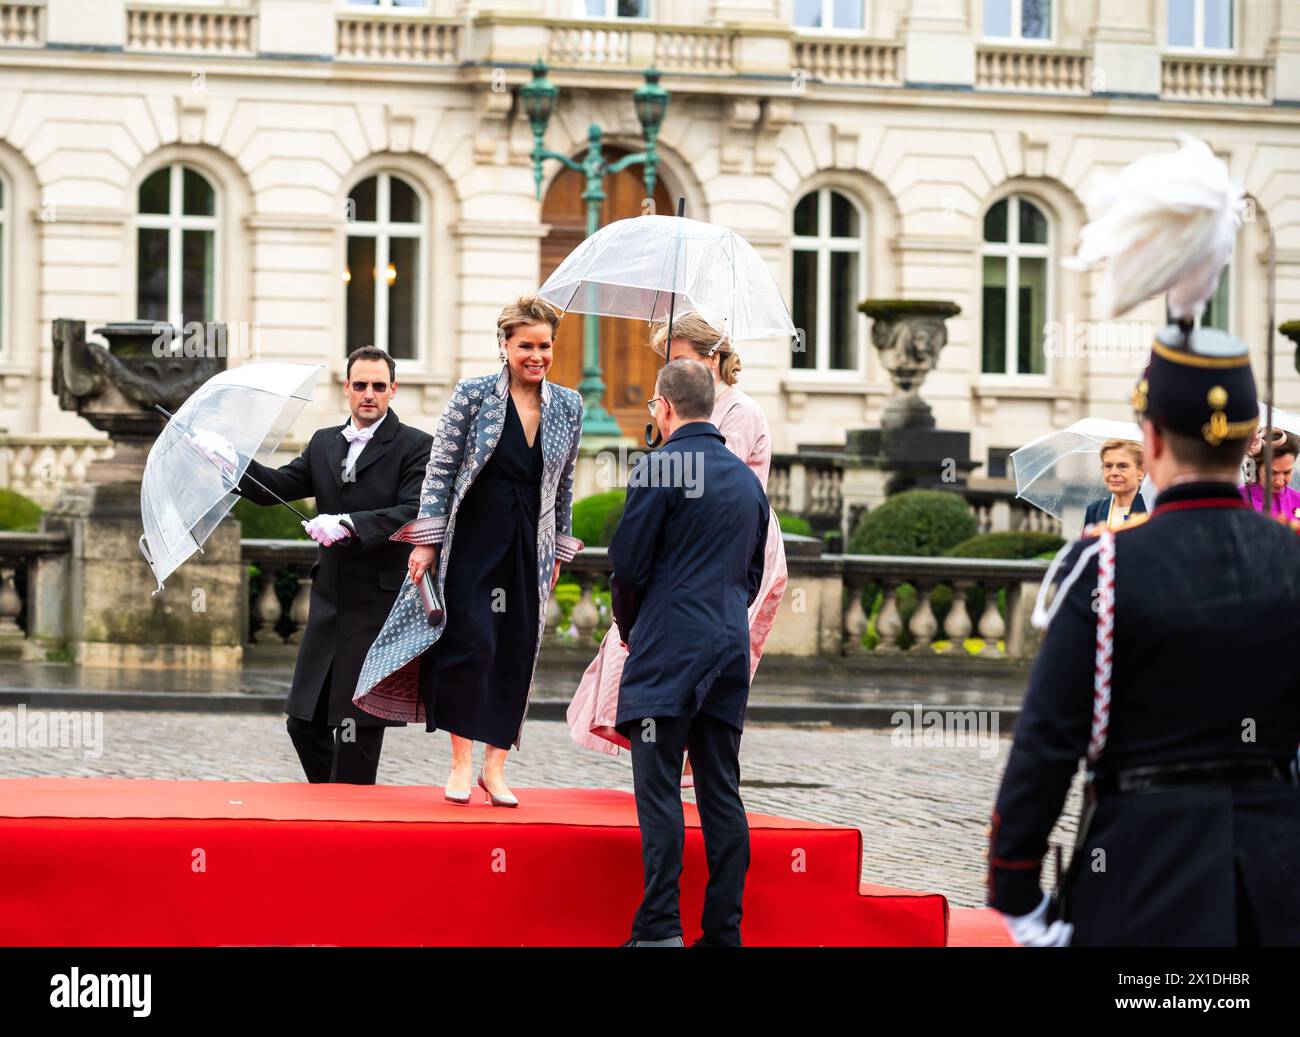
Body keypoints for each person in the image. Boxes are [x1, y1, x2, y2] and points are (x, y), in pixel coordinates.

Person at [987, 323, 1300, 946]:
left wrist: (1016, 887)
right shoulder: (1291, 556)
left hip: (1141, 873)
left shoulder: (1102, 564)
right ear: (1248, 443)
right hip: (1280, 881)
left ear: (1151, 439)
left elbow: (1048, 742)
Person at [353, 295, 584, 807]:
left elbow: (564, 482)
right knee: (470, 644)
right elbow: (440, 470)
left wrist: (559, 550)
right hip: (473, 539)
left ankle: (494, 768)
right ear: (504, 345)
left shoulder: (569, 405)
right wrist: (427, 543)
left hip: (530, 543)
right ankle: (460, 762)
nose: (537, 356)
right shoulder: (474, 394)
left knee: (515, 650)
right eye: (526, 346)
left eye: (545, 346)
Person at [193, 346, 433, 784]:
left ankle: (350, 814)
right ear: (347, 389)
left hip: (377, 608)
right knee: (303, 724)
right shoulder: (325, 442)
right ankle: (332, 802)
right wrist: (231, 461)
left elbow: (413, 511)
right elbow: (277, 486)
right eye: (360, 385)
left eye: (379, 386)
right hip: (328, 604)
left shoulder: (416, 445)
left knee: (356, 730)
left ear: (393, 389)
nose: (369, 394)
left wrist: (349, 523)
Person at [567, 314, 789, 788]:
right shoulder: (679, 410)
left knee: (708, 657)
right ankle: (663, 756)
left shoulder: (741, 411)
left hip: (730, 547)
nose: (671, 367)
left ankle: (690, 766)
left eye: (681, 357)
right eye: (666, 359)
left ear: (714, 356)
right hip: (688, 546)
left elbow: (716, 486)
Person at [611, 359, 770, 947]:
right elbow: (752, 574)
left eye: (654, 405)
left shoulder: (660, 467)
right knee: (721, 791)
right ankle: (724, 931)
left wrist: (633, 626)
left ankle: (659, 927)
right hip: (728, 648)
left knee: (659, 793)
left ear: (665, 406)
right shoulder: (746, 480)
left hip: (668, 649)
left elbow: (628, 566)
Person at [1081, 439, 1148, 531]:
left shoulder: (1151, 509)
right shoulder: (1094, 511)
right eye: (1108, 466)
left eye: (1123, 466)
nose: (1114, 473)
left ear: (1141, 471)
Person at [1239, 429, 1300, 522]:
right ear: (1256, 467)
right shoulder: (1236, 500)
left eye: (1287, 472)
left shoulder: (1298, 500)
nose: (1280, 482)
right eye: (1272, 472)